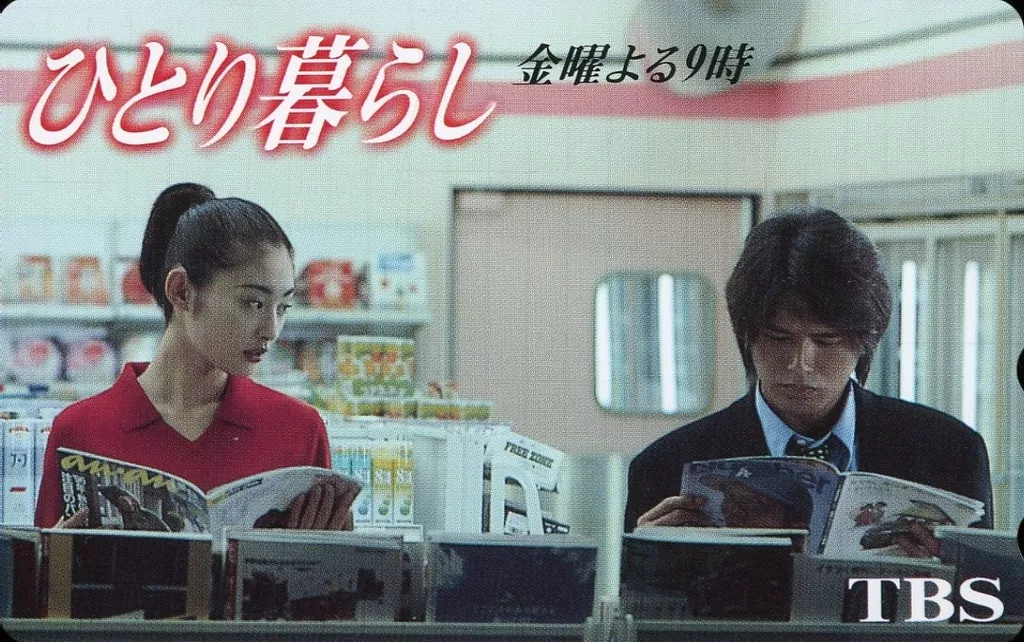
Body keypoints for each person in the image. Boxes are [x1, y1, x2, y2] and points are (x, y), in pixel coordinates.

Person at [625, 206, 993, 536]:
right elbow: (643, 592)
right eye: (778, 337)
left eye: (827, 339)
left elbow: (983, 589)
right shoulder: (666, 466)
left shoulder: (950, 451)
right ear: (747, 337)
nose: (800, 363)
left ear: (865, 341)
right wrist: (650, 559)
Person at [35, 183, 359, 530]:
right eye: (254, 303)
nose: (271, 330)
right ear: (181, 291)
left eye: (283, 307)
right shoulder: (80, 431)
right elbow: (41, 565)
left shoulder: (299, 430)